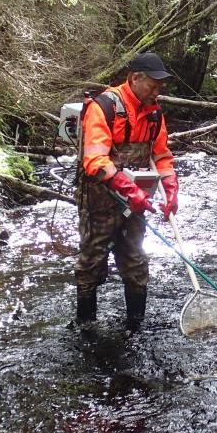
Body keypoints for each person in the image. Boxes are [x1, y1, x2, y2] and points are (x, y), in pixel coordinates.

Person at [74, 52, 179, 326]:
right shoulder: (104, 107)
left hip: (135, 203)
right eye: (152, 86)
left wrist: (171, 189)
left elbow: (162, 156)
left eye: (160, 88)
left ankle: (135, 327)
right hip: (99, 201)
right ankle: (86, 327)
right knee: (91, 264)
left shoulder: (154, 113)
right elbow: (95, 160)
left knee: (135, 261)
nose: (157, 93)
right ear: (134, 78)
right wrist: (129, 189)